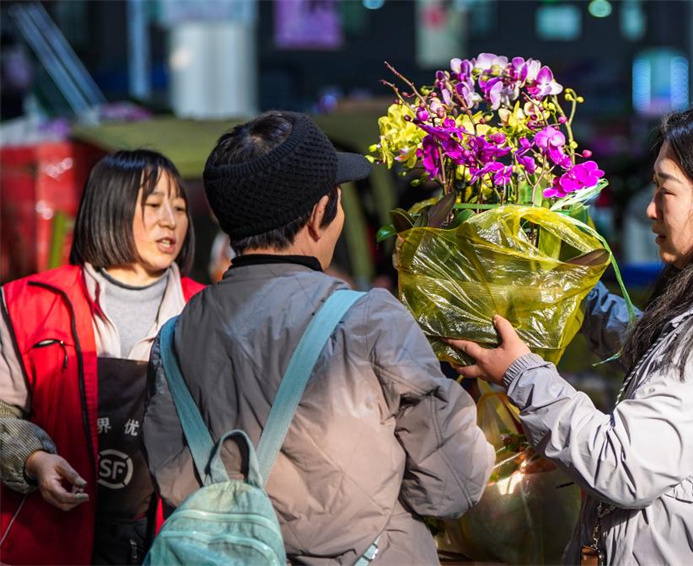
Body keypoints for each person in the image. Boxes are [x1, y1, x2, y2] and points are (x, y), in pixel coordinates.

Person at [447, 100, 693, 565]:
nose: (650, 210)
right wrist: (575, 297)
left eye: (664, 191)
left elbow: (621, 467)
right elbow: (662, 350)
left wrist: (521, 376)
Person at [142, 111, 495, 565]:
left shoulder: (173, 338)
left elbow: (171, 479)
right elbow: (452, 486)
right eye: (338, 198)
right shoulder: (370, 321)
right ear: (317, 217)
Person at [0, 150, 204, 565]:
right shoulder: (27, 304)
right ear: (110, 208)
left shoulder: (207, 309)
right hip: (51, 539)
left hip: (171, 541)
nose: (171, 220)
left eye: (179, 208)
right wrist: (34, 461)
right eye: (153, 205)